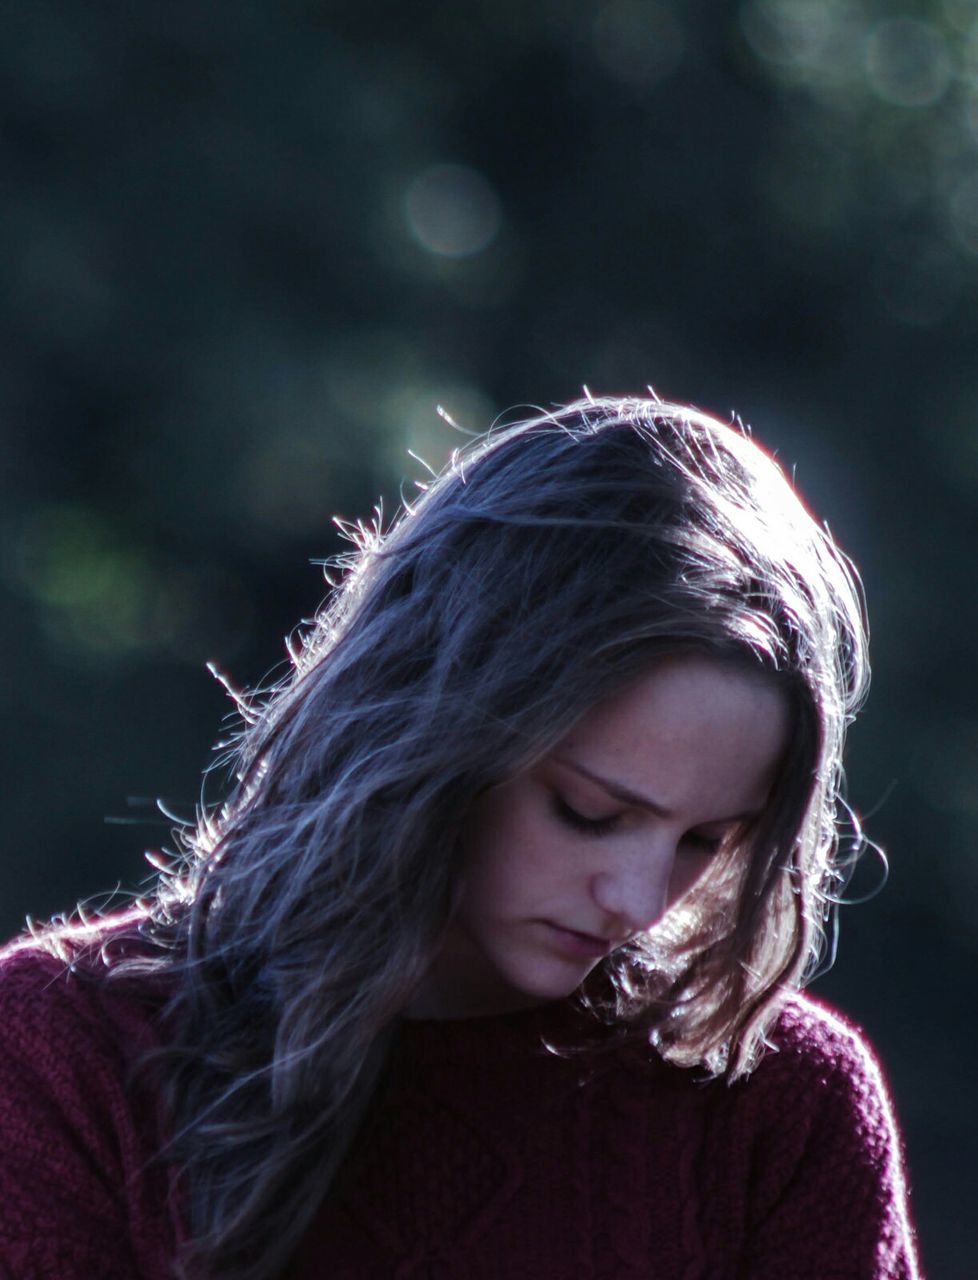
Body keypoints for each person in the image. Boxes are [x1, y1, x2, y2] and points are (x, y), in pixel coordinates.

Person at [0, 395, 922, 1279]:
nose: (639, 900)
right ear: (434, 734)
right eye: (589, 813)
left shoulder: (783, 1106)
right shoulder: (65, 1051)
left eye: (707, 841)